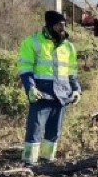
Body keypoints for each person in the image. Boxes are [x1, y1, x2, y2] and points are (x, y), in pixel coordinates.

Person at [18, 10, 81, 166]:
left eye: (64, 25)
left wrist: (76, 89)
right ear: (50, 25)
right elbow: (25, 69)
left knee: (54, 130)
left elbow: (71, 72)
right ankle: (29, 162)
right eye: (59, 24)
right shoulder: (32, 42)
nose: (62, 28)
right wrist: (31, 88)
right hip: (41, 93)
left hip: (62, 93)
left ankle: (48, 161)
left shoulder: (68, 47)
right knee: (35, 129)